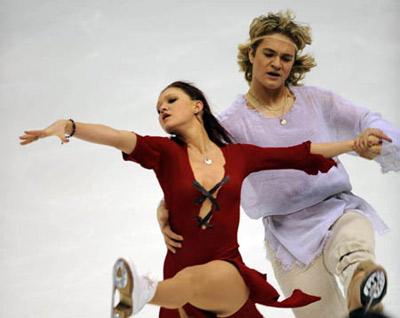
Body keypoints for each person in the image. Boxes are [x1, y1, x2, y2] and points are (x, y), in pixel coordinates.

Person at [19, 81, 369, 318]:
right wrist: (69, 125)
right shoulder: (163, 153)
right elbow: (115, 137)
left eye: (170, 100)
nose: (163, 110)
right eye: (158, 108)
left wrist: (353, 144)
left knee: (212, 274)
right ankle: (145, 291)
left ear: (197, 106)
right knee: (186, 280)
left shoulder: (239, 156)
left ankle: (141, 291)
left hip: (226, 277)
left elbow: (299, 154)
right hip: (180, 288)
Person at [157, 11, 399, 318]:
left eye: (286, 58)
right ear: (251, 55)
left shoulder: (316, 101)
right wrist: (165, 206)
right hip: (288, 238)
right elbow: (198, 169)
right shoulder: (231, 125)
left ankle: (363, 295)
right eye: (269, 54)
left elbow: (365, 121)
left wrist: (375, 138)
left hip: (337, 210)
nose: (277, 64)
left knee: (354, 251)